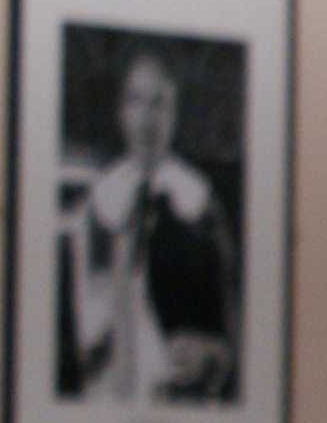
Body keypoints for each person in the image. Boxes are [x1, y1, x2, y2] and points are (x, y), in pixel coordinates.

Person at [61, 48, 239, 403]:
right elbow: (77, 312)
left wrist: (212, 353)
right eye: (136, 101)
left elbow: (229, 314)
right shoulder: (98, 202)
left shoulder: (200, 202)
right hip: (108, 389)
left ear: (175, 114)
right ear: (120, 112)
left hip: (184, 394)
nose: (147, 118)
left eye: (160, 103)